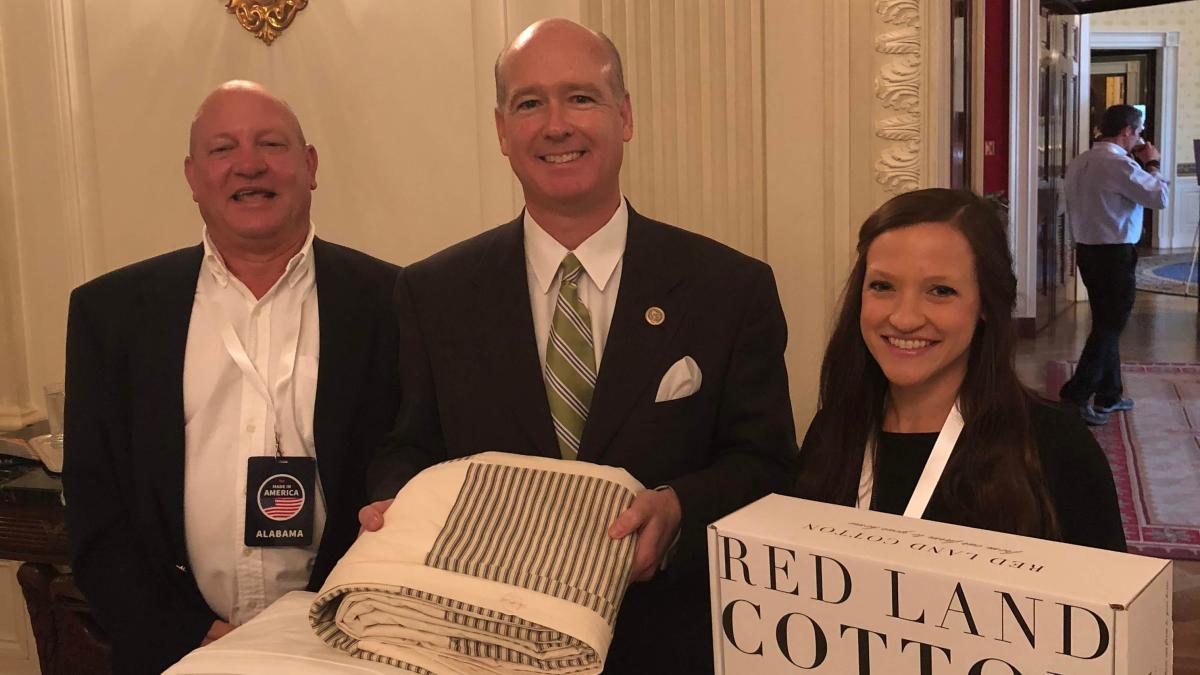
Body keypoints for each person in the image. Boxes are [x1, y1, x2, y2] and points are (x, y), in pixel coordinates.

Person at [358, 18, 797, 675]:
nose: (556, 124)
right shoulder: (432, 291)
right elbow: (412, 442)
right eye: (529, 103)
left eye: (581, 97)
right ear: (502, 130)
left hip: (671, 644)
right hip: (484, 645)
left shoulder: (729, 288)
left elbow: (766, 464)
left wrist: (678, 508)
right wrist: (397, 499)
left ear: (623, 117)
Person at [62, 81, 401, 674]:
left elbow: (414, 478)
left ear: (310, 165)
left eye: (271, 143)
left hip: (352, 651)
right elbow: (96, 512)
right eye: (222, 149)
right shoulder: (110, 314)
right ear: (192, 176)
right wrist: (189, 638)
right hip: (179, 656)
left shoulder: (397, 302)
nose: (249, 164)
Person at [793, 188, 1126, 552]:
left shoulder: (1057, 449)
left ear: (985, 303)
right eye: (882, 286)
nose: (904, 318)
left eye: (940, 291)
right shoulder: (832, 433)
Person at [1059, 104, 1168, 425]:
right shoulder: (1118, 164)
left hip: (1087, 251)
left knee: (1106, 322)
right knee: (1109, 327)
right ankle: (1076, 394)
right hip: (1114, 254)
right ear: (1126, 132)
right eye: (1138, 132)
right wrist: (1153, 163)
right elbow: (1158, 198)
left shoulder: (1081, 161)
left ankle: (1110, 394)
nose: (1140, 137)